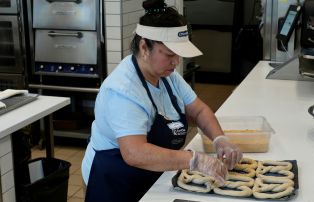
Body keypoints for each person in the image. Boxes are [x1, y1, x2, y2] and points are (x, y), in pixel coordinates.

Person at [81, 0, 242, 201]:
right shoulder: (123, 90)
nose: (176, 62)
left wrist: (219, 139)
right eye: (169, 54)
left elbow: (198, 111)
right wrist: (194, 160)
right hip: (115, 181)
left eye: (179, 55)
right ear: (144, 47)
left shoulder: (167, 77)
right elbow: (135, 153)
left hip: (151, 176)